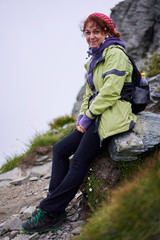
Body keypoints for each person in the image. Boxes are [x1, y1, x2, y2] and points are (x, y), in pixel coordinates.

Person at [21, 13, 137, 234]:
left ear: (107, 32)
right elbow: (89, 94)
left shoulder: (115, 54)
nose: (91, 36)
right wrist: (83, 116)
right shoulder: (95, 58)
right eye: (88, 33)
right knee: (60, 149)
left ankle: (50, 212)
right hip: (97, 116)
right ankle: (55, 207)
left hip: (113, 116)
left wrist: (89, 116)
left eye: (96, 32)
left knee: (79, 162)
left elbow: (111, 92)